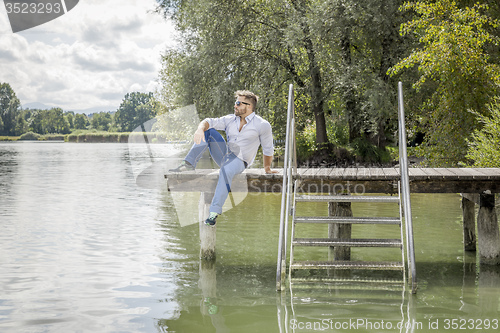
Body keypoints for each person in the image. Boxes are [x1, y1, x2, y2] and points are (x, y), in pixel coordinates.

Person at [169, 90, 277, 226]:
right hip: (225, 155)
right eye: (235, 102)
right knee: (208, 131)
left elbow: (268, 148)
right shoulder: (230, 119)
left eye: (238, 103)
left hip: (240, 161)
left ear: (248, 106)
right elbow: (208, 121)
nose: (235, 106)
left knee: (225, 171)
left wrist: (267, 168)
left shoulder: (262, 125)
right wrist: (200, 129)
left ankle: (214, 212)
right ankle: (188, 164)